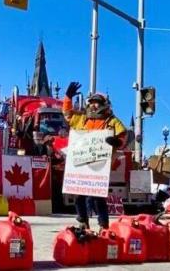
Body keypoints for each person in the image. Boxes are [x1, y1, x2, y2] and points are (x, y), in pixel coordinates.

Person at [62, 82, 127, 230]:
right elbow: (67, 114)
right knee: (79, 195)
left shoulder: (112, 121)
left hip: (100, 164)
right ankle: (83, 221)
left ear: (104, 104)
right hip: (82, 162)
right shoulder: (82, 118)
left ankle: (103, 224)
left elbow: (123, 137)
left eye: (97, 103)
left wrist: (116, 141)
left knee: (98, 196)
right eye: (91, 102)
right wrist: (67, 97)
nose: (93, 106)